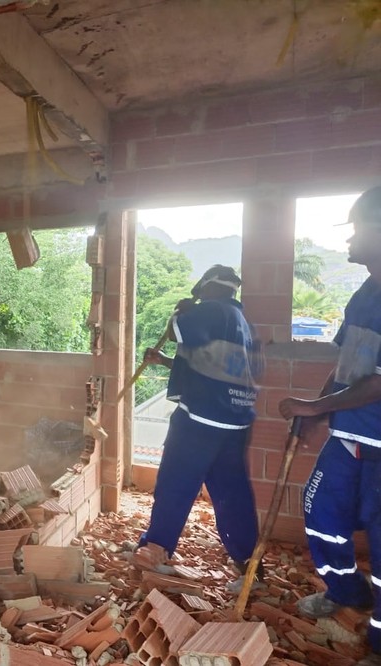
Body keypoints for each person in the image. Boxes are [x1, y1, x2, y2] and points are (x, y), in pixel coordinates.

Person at [279, 186, 381, 666]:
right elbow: (347, 365)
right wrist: (313, 410)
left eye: (359, 226)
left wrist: (313, 408)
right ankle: (347, 593)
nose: (351, 237)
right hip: (349, 436)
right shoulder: (365, 293)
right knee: (321, 511)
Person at [132, 265, 264, 590]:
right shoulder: (241, 323)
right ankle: (250, 569)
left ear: (208, 287)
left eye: (200, 292)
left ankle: (156, 549)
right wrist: (164, 361)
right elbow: (211, 365)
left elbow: (181, 329)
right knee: (232, 495)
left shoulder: (210, 310)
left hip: (200, 421)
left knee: (175, 484)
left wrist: (181, 313)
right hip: (234, 423)